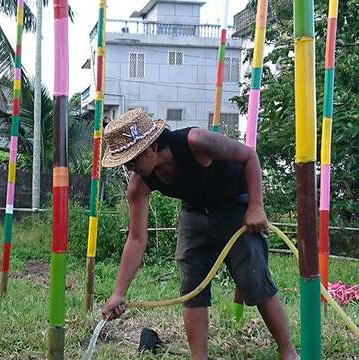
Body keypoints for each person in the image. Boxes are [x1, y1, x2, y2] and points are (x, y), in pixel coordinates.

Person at [100, 109, 298, 360]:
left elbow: (249, 156)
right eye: (126, 163)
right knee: (192, 285)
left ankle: (287, 351)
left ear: (151, 147)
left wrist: (255, 206)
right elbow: (136, 239)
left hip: (235, 205)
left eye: (133, 160)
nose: (131, 169)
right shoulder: (139, 183)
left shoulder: (195, 142)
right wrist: (118, 293)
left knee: (254, 276)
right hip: (194, 212)